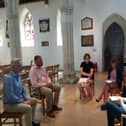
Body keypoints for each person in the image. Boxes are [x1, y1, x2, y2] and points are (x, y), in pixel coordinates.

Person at [2, 58, 40, 126]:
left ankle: (31, 121)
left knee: (34, 100)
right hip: (9, 105)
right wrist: (22, 101)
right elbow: (11, 97)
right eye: (19, 65)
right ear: (13, 67)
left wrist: (27, 98)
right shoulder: (8, 78)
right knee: (28, 108)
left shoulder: (18, 76)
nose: (21, 67)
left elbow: (23, 90)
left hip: (17, 101)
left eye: (21, 65)